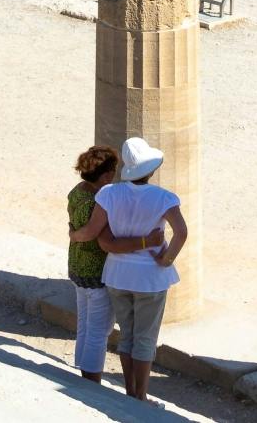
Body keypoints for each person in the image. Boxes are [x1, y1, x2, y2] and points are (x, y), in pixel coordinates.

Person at [70, 135, 189, 402]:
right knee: (144, 339)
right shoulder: (164, 198)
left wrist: (74, 235)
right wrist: (166, 259)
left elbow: (99, 234)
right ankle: (140, 395)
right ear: (152, 170)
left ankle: (129, 390)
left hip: (117, 274)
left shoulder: (108, 193)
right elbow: (181, 232)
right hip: (150, 278)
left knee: (126, 337)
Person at [65, 144, 165, 383]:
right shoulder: (99, 199)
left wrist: (73, 235)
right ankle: (91, 381)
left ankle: (84, 373)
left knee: (85, 325)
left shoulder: (77, 191)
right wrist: (147, 241)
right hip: (97, 271)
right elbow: (96, 235)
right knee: (99, 331)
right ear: (107, 174)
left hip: (77, 266)